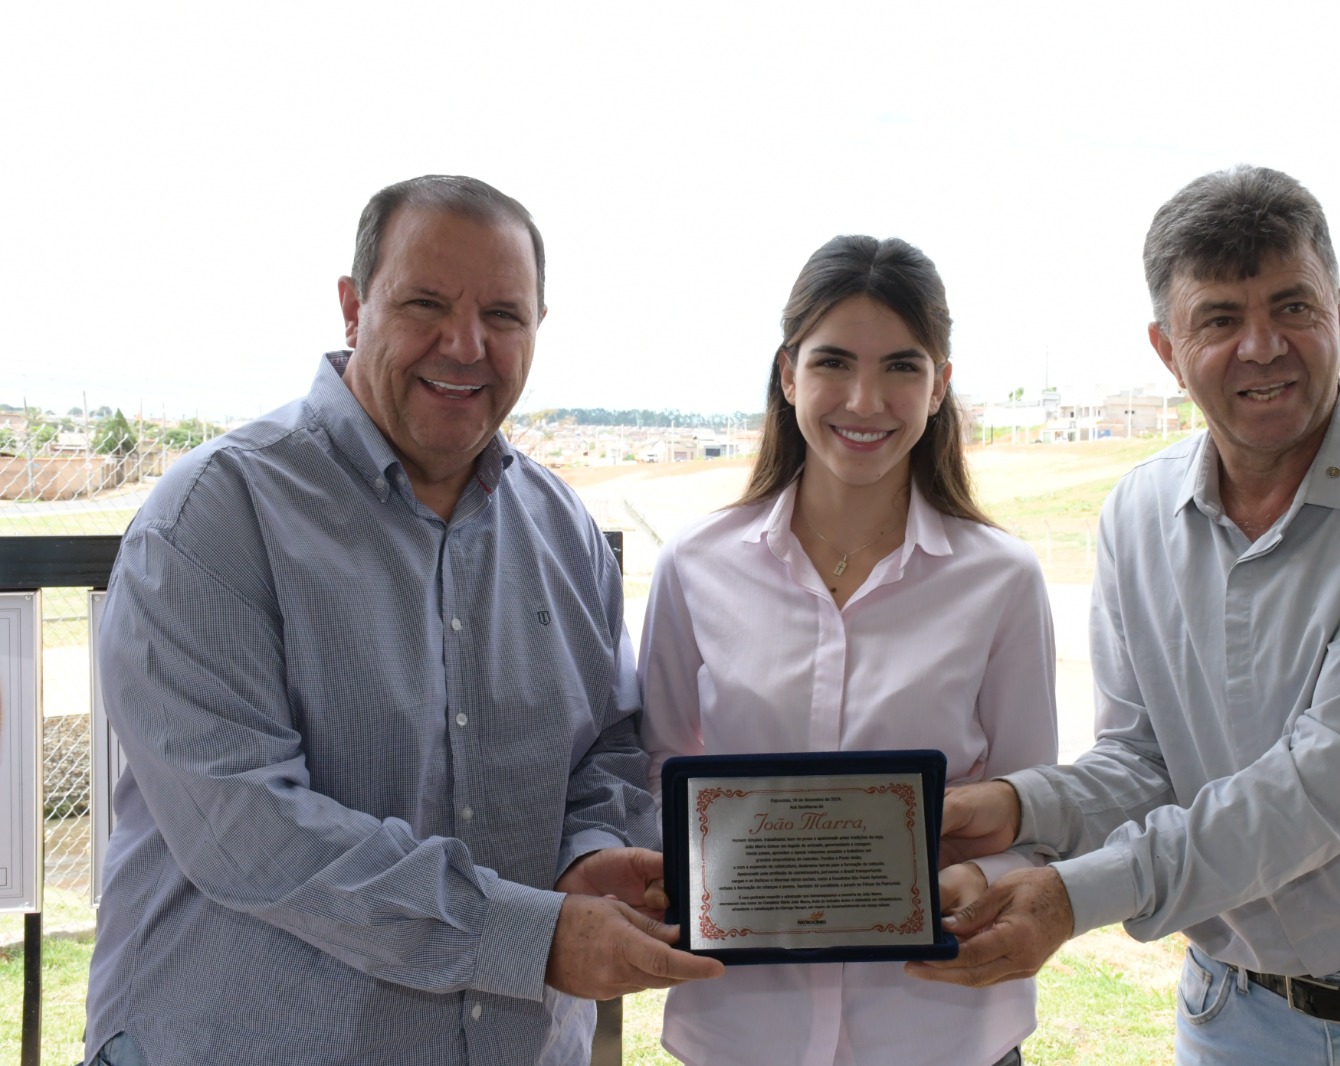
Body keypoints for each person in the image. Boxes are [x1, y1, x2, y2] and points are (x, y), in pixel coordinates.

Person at [908, 165, 1340, 1065]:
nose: (1262, 346)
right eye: (1219, 319)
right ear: (1165, 348)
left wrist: (1072, 896)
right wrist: (1016, 806)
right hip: (1236, 1018)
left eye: (1292, 306)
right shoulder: (1137, 516)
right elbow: (1147, 762)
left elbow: (1323, 785)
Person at [83, 175, 722, 1066]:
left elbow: (608, 745)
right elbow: (249, 832)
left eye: (503, 314)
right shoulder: (216, 518)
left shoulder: (564, 529)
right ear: (354, 308)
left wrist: (585, 853)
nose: (465, 344)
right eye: (426, 304)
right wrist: (530, 937)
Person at [638, 234, 1058, 1066]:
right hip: (743, 1031)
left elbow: (1037, 807)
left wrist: (981, 876)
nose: (866, 400)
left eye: (902, 366)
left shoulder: (1002, 579)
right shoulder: (694, 565)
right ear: (788, 374)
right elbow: (655, 771)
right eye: (833, 362)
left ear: (940, 385)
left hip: (939, 1032)